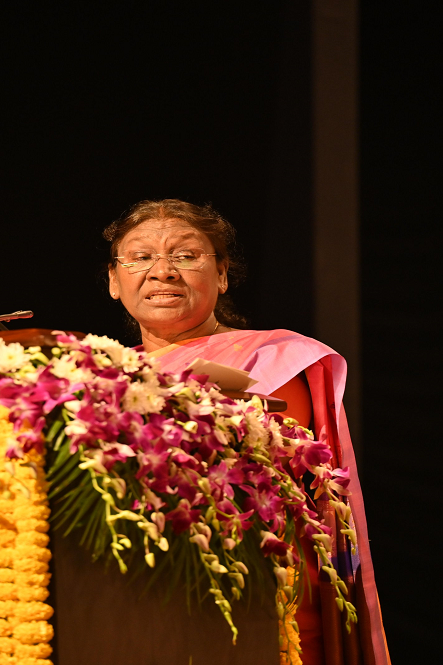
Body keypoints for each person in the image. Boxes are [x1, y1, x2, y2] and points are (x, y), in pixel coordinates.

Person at [104, 199, 390, 665]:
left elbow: (259, 470)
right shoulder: (95, 378)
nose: (162, 272)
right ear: (115, 281)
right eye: (139, 257)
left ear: (221, 274)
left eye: (185, 255)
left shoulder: (271, 360)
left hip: (248, 604)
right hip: (122, 600)